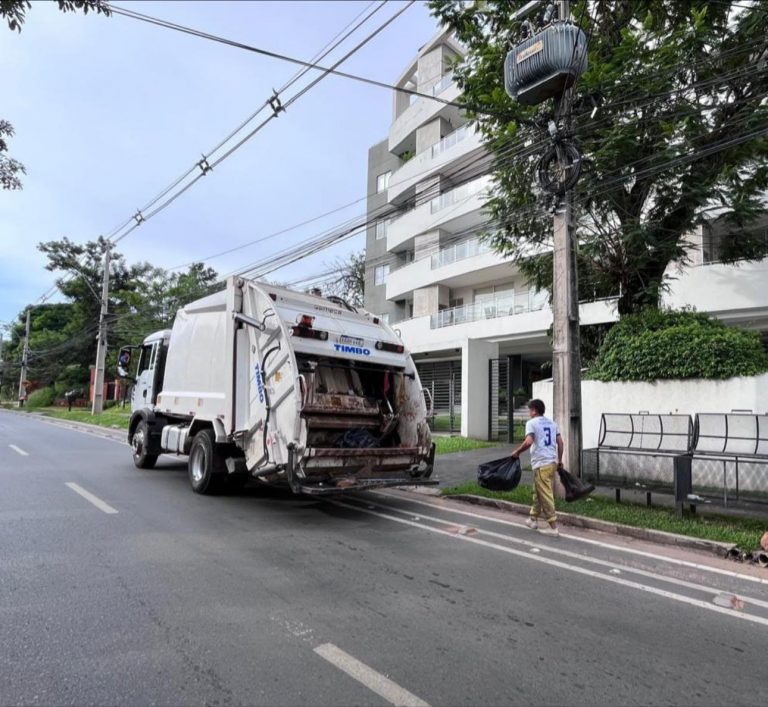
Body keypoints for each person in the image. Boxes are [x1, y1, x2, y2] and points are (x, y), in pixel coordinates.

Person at [510, 398, 563, 537]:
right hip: (551, 462)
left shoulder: (531, 423)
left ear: (534, 410)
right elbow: (560, 442)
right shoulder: (552, 423)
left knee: (545, 494)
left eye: (529, 410)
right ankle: (533, 519)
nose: (529, 413)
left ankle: (553, 527)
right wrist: (560, 460)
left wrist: (517, 452)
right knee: (538, 491)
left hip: (541, 464)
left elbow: (529, 441)